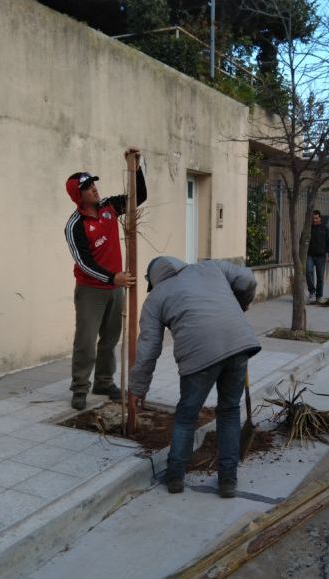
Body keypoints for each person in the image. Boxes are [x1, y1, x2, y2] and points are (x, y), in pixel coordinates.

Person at [128, 257, 261, 498]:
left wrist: (138, 387)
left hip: (199, 355)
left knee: (186, 416)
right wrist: (242, 302)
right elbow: (247, 278)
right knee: (230, 410)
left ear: (154, 279)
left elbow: (148, 348)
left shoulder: (155, 298)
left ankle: (176, 477)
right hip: (239, 343)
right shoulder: (210, 267)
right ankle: (227, 481)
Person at [64, 148, 146, 411]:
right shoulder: (75, 225)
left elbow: (138, 197)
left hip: (116, 287)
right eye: (88, 188)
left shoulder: (110, 206)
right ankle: (79, 388)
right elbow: (84, 264)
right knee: (86, 341)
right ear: (79, 195)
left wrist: (136, 167)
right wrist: (113, 277)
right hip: (91, 290)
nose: (94, 190)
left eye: (94, 184)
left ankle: (103, 381)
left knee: (110, 340)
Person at [306, 209, 329, 303]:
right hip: (310, 255)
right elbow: (302, 241)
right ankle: (312, 292)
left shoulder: (325, 228)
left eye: (316, 218)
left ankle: (319, 296)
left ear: (320, 218)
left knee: (320, 277)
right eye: (313, 218)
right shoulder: (308, 228)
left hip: (321, 256)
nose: (314, 220)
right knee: (308, 271)